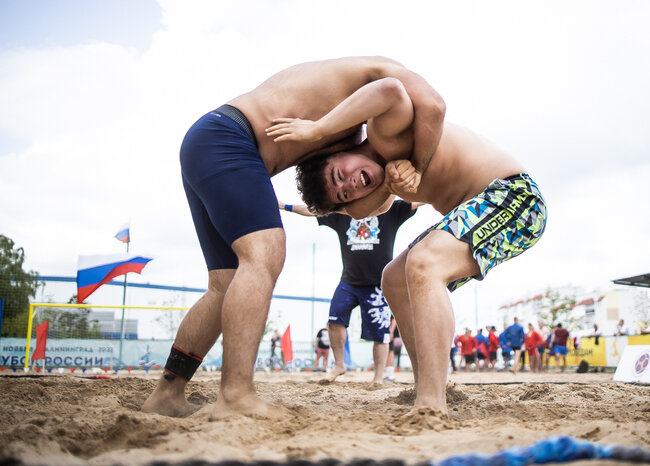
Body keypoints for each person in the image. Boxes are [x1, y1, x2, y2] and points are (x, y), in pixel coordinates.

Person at [142, 56, 445, 420]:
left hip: (214, 143)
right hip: (230, 137)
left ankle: (168, 392)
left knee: (224, 285)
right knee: (266, 252)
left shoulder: (350, 129)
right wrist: (421, 167)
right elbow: (431, 104)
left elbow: (360, 210)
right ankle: (236, 393)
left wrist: (400, 180)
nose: (349, 182)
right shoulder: (382, 80)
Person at [270, 72, 547, 414]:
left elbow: (393, 90)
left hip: (514, 196)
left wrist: (318, 130)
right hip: (476, 207)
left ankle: (432, 400)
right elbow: (357, 210)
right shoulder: (377, 183)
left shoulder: (384, 132)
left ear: (340, 151)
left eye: (341, 174)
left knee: (423, 264)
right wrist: (383, 184)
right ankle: (426, 384)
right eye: (344, 193)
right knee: (394, 278)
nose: (352, 184)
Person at [279, 199, 420, 383]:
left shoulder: (390, 210)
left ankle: (378, 378)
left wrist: (449, 192)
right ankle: (339, 365)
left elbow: (421, 199)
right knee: (334, 320)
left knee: (380, 335)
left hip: (378, 284)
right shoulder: (343, 213)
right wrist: (285, 206)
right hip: (349, 282)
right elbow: (313, 208)